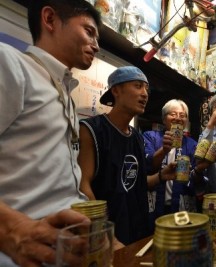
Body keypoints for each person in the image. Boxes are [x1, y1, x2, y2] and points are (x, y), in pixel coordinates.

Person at [0, 1, 101, 266]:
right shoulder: (10, 64)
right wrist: (11, 229)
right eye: (89, 32)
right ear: (50, 19)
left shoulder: (64, 92)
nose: (96, 45)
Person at [78, 66, 177, 245]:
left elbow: (137, 183)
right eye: (138, 86)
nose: (145, 93)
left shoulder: (136, 136)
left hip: (138, 232)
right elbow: (83, 186)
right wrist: (105, 235)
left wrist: (162, 176)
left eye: (146, 88)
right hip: (107, 238)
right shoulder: (92, 130)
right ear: (116, 90)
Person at [143, 99, 207, 229]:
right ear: (164, 119)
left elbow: (196, 180)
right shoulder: (150, 137)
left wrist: (200, 169)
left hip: (183, 207)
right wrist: (164, 150)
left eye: (182, 115)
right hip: (154, 205)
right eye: (173, 114)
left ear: (186, 121)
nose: (178, 118)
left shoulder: (192, 144)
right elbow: (147, 167)